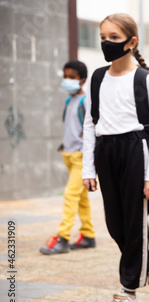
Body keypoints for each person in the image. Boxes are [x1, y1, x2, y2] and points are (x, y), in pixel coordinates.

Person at [81, 13, 149, 302]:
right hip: (107, 152)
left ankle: (128, 294)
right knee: (115, 225)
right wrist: (88, 168)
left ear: (132, 42)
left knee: (134, 225)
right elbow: (90, 123)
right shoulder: (96, 78)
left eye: (114, 37)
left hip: (137, 150)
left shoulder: (144, 79)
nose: (107, 43)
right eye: (103, 37)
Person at [40, 60, 96, 255]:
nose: (67, 80)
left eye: (72, 77)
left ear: (82, 80)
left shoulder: (86, 101)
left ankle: (62, 237)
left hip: (80, 157)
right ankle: (88, 235)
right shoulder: (69, 100)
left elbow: (91, 129)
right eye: (65, 76)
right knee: (81, 198)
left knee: (71, 194)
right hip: (68, 154)